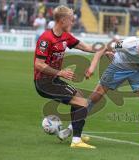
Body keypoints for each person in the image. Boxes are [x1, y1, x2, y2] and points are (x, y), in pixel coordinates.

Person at [34, 5, 99, 149]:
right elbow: (38, 64)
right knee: (81, 101)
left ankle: (76, 134)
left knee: (80, 98)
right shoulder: (46, 39)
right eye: (71, 19)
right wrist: (59, 72)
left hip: (53, 80)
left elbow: (86, 47)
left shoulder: (65, 36)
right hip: (43, 82)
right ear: (62, 20)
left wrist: (102, 50)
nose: (72, 22)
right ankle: (76, 141)